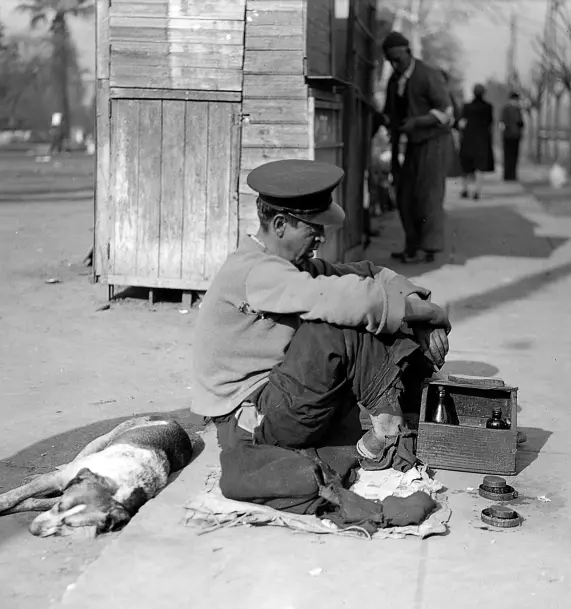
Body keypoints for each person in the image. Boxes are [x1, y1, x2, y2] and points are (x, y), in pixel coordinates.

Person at [191, 159, 451, 515]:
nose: (322, 237)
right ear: (280, 225)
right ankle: (389, 437)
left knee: (368, 306)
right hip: (253, 419)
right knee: (337, 323)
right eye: (313, 228)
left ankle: (404, 410)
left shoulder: (290, 265)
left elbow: (369, 274)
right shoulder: (255, 270)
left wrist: (413, 300)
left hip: (279, 403)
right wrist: (430, 314)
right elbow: (348, 300)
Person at [382, 32, 454, 264]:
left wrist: (417, 122)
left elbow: (446, 112)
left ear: (408, 53)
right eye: (390, 61)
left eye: (398, 59)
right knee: (404, 196)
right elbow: (389, 112)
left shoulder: (428, 75)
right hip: (408, 145)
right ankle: (412, 246)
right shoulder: (394, 81)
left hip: (433, 142)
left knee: (428, 196)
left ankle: (428, 248)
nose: (395, 65)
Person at [458, 84, 495, 200]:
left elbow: (462, 122)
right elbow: (490, 121)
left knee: (465, 165)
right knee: (480, 166)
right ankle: (477, 191)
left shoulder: (467, 106)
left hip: (468, 137)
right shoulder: (488, 107)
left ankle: (464, 189)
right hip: (482, 138)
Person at [500, 92, 525, 181]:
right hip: (512, 136)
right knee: (511, 156)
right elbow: (520, 122)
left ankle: (509, 175)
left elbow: (502, 122)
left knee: (510, 156)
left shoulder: (508, 109)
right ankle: (510, 175)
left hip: (510, 136)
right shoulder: (514, 109)